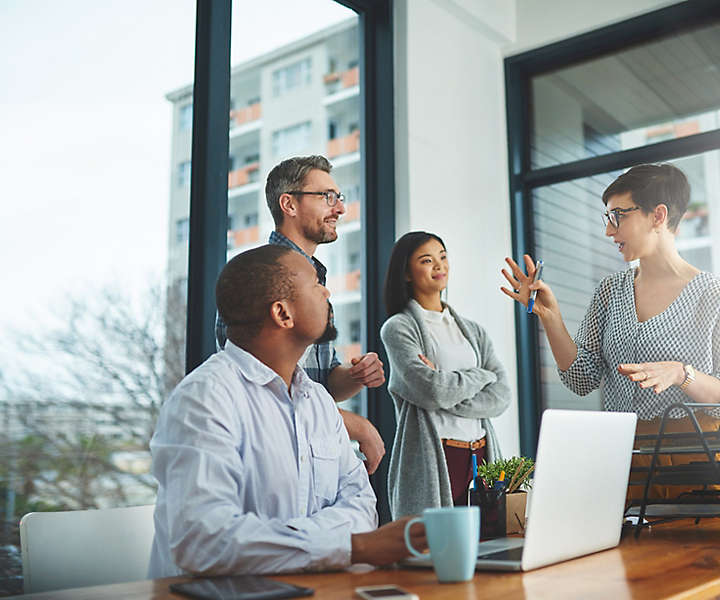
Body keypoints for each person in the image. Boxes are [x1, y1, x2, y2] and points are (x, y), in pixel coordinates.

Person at [148, 245, 426, 577]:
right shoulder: (204, 399)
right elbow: (204, 541)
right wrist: (354, 547)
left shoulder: (318, 401)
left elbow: (362, 505)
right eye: (314, 284)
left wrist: (287, 544)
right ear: (283, 314)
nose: (326, 291)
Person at [501, 163, 720, 499]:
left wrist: (681, 374)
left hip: (694, 463)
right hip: (621, 460)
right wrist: (551, 317)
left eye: (619, 215)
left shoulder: (712, 294)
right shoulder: (610, 291)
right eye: (608, 217)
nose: (608, 231)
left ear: (658, 216)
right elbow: (581, 379)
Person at [217, 155, 386, 474]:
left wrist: (355, 376)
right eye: (327, 197)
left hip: (311, 454)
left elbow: (322, 382)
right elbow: (264, 392)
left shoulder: (317, 283)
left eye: (339, 198)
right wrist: (354, 425)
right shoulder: (255, 278)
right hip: (271, 461)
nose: (340, 208)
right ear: (289, 204)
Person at [380, 231, 511, 519]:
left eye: (442, 256)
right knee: (436, 551)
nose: (439, 265)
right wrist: (481, 376)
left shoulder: (473, 331)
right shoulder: (398, 328)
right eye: (427, 260)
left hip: (481, 453)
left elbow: (501, 397)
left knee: (490, 548)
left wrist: (447, 385)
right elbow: (433, 391)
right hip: (438, 454)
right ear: (406, 274)